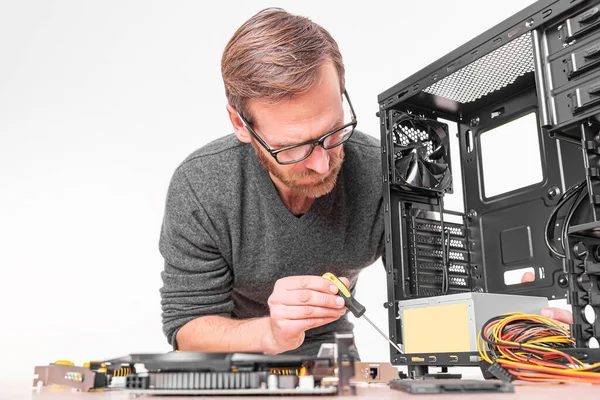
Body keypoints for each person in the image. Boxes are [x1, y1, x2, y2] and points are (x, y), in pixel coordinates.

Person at [158, 7, 572, 358]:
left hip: (336, 364)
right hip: (235, 366)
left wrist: (507, 317)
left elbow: (429, 298)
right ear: (240, 125)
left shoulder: (385, 170)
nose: (322, 164)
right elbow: (186, 327)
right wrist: (270, 333)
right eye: (293, 147)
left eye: (333, 130)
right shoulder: (202, 186)